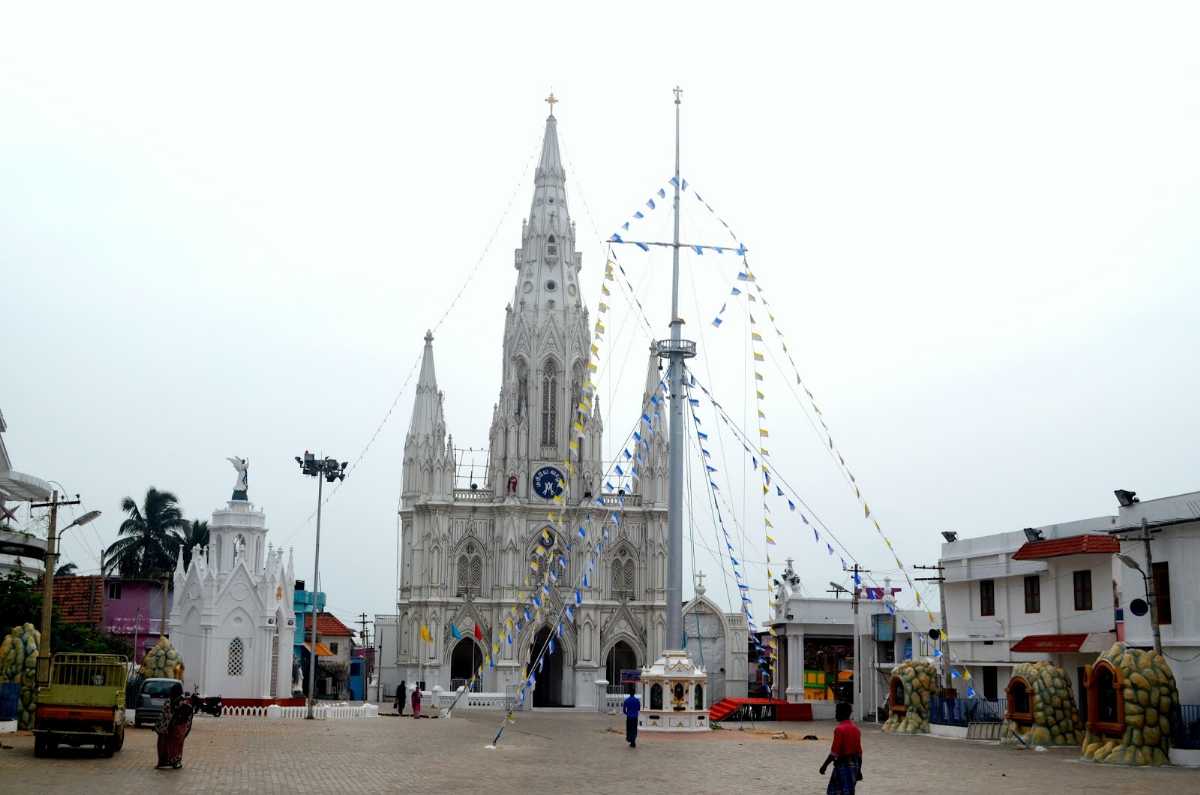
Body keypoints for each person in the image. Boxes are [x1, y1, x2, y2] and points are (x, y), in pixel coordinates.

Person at [819, 701, 863, 795]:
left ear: (842, 713)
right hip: (854, 766)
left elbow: (834, 753)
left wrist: (824, 766)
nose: (836, 714)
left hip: (842, 766)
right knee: (849, 791)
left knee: (834, 791)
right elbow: (859, 753)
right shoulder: (856, 729)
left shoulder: (839, 730)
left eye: (837, 712)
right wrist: (859, 771)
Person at [154, 683, 194, 770]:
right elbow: (189, 717)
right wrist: (187, 729)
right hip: (182, 728)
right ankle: (176, 761)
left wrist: (162, 728)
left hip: (171, 727)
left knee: (167, 744)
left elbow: (165, 716)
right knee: (178, 744)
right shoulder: (185, 702)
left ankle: (165, 761)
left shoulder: (169, 701)